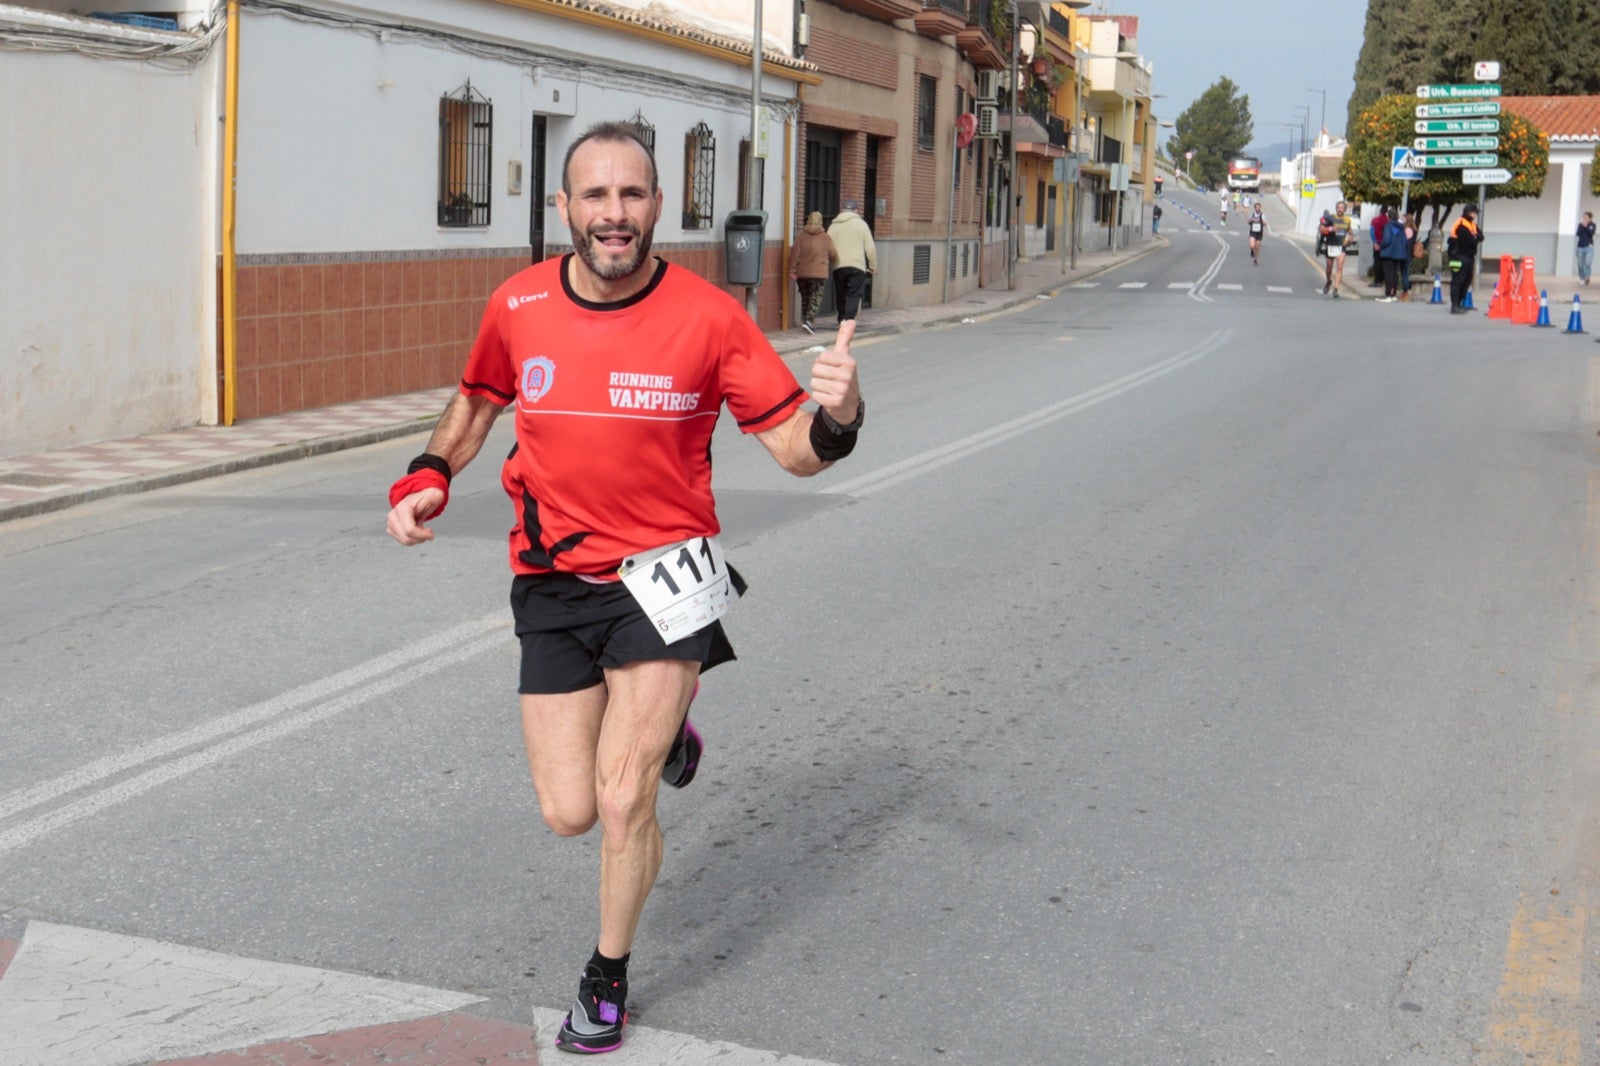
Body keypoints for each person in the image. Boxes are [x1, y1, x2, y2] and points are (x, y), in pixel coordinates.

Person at [384, 121, 864, 1056]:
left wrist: (839, 417)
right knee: (567, 811)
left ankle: (606, 977)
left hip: (663, 582)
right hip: (553, 579)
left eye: (633, 194)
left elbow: (794, 450)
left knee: (619, 798)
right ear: (564, 206)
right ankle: (673, 730)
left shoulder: (709, 318)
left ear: (659, 206)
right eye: (596, 196)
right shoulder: (519, 304)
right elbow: (478, 400)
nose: (615, 214)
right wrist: (428, 473)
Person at [827, 200, 876, 328]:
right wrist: (873, 266)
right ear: (856, 210)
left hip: (839, 265)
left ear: (843, 210)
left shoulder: (833, 226)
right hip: (857, 265)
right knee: (853, 293)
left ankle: (841, 319)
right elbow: (870, 248)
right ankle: (849, 319)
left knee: (840, 292)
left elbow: (827, 246)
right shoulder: (862, 225)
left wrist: (829, 262)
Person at [789, 210, 836, 334]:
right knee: (815, 297)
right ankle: (808, 321)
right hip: (818, 273)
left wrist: (792, 269)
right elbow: (833, 254)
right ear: (821, 222)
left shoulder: (801, 236)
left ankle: (805, 320)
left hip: (802, 273)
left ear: (808, 221)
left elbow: (794, 255)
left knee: (805, 297)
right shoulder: (826, 238)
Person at [1447, 204, 1482, 313]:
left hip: (1469, 257)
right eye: (1475, 212)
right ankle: (1454, 305)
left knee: (1466, 281)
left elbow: (1481, 236)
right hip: (1458, 256)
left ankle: (1459, 303)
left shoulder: (1472, 224)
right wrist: (1475, 238)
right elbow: (1470, 241)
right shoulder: (1461, 224)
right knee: (1458, 281)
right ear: (1470, 212)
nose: (1476, 215)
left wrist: (1475, 238)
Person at [1377, 208, 1411, 302]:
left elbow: (1386, 239)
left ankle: (1388, 295)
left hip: (1388, 253)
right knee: (1395, 273)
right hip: (1398, 253)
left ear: (1388, 216)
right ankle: (1393, 294)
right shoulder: (1401, 227)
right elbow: (1404, 240)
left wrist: (1381, 245)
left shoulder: (1388, 226)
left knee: (1388, 274)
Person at [1324, 200, 1354, 298]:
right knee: (1329, 269)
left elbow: (1349, 231)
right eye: (1338, 208)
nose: (1340, 209)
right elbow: (1321, 229)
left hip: (1341, 246)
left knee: (1340, 267)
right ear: (1336, 208)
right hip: (1331, 245)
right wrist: (1330, 229)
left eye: (1342, 208)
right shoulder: (1330, 218)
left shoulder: (1347, 220)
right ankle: (1329, 281)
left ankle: (1336, 289)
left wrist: (1350, 238)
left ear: (1345, 209)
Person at [1368, 206, 1389, 285]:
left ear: (1380, 211)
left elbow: (1371, 232)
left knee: (1377, 262)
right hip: (1386, 245)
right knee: (1385, 263)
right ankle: (1384, 280)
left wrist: (1375, 242)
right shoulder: (1388, 220)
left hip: (1378, 243)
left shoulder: (1375, 220)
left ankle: (1377, 281)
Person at [1578, 211, 1595, 286]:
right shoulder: (1580, 225)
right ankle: (1582, 278)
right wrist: (1582, 226)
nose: (1585, 219)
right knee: (1580, 264)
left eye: (1586, 217)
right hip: (1580, 247)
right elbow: (1578, 233)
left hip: (1589, 247)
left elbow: (1591, 233)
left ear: (1590, 218)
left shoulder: (1592, 225)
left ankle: (1587, 277)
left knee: (1587, 263)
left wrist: (1586, 226)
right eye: (1584, 217)